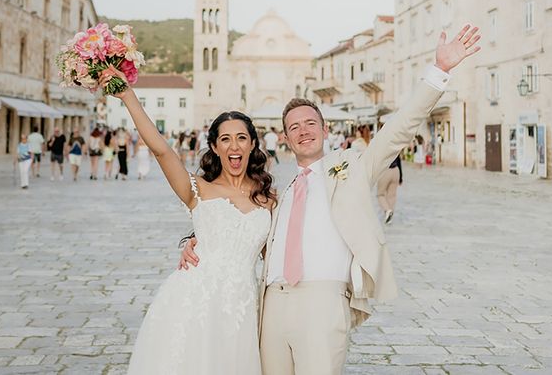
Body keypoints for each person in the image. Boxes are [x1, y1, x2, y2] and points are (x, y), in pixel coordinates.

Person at [180, 25, 480, 374]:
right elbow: (244, 229)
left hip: (323, 302)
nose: (303, 130)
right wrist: (198, 241)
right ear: (286, 140)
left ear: (325, 131)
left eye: (310, 123)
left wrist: (439, 71)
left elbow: (399, 128)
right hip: (271, 305)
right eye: (294, 127)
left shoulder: (353, 166)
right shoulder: (279, 194)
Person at [112, 81, 275, 375]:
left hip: (242, 306)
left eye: (241, 138)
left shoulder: (268, 199)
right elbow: (161, 150)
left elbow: (277, 254)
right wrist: (128, 96)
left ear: (253, 144)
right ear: (214, 146)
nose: (234, 146)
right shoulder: (197, 189)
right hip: (195, 300)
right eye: (225, 139)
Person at [377, 154, 403, 224]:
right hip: (396, 170)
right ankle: (389, 216)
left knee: (380, 194)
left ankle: (387, 210)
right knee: (392, 196)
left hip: (385, 170)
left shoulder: (382, 146)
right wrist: (401, 177)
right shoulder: (395, 145)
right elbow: (399, 160)